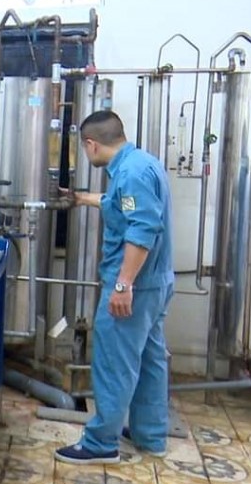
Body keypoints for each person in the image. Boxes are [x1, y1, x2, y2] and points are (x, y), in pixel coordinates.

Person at [54, 110, 174, 464]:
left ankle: (100, 443)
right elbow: (117, 203)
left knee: (114, 363)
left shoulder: (132, 173)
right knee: (150, 360)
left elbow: (142, 229)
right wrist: (80, 198)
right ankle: (150, 435)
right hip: (155, 285)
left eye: (84, 148)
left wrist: (123, 285)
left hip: (134, 286)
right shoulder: (141, 163)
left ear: (91, 144)